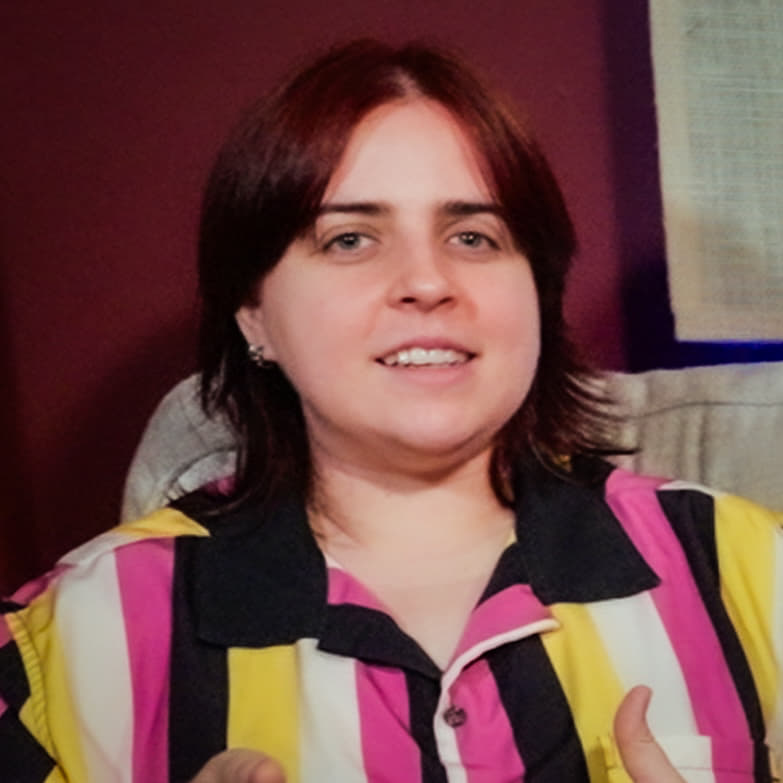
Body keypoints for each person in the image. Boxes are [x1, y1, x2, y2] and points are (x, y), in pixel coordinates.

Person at [1, 39, 780, 783]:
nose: (427, 281)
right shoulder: (65, 641)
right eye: (349, 240)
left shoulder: (750, 567)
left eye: (473, 236)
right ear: (253, 314)